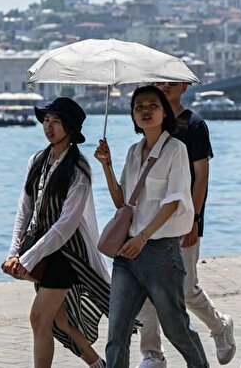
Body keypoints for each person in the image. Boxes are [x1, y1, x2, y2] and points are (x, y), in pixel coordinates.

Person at [94, 85, 208, 368]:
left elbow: (173, 202)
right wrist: (107, 166)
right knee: (117, 332)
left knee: (176, 328)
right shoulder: (133, 152)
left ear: (164, 112)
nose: (145, 111)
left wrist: (143, 237)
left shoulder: (176, 150)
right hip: (127, 253)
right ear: (133, 115)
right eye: (139, 107)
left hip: (160, 252)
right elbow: (122, 202)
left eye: (152, 105)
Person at [134, 81, 234, 368]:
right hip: (149, 222)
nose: (165, 86)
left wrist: (194, 219)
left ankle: (220, 326)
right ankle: (152, 354)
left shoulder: (194, 124)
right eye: (159, 81)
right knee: (146, 290)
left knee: (187, 288)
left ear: (185, 87)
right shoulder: (152, 123)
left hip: (183, 219)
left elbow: (201, 175)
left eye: (172, 82)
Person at [3, 97, 109, 368]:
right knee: (60, 321)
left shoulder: (79, 169)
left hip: (67, 255)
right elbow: (24, 210)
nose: (48, 127)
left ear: (70, 128)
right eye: (46, 121)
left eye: (56, 122)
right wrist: (14, 253)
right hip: (43, 250)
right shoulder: (36, 160)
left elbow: (65, 226)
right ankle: (99, 365)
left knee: (39, 318)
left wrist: (27, 259)